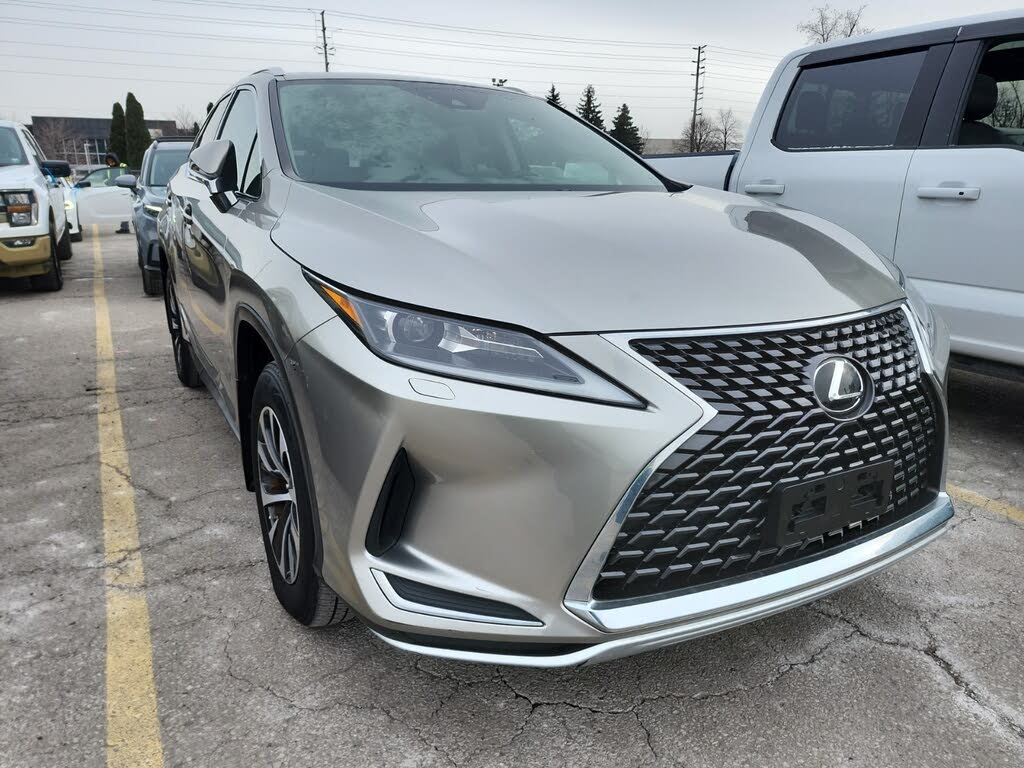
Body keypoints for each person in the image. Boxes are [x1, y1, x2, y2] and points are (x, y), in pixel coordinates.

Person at [105, 152, 131, 234]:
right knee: (121, 209)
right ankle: (124, 227)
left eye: (111, 160)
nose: (110, 162)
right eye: (108, 161)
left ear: (115, 159)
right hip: (114, 190)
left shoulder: (123, 166)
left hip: (123, 189)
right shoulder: (109, 168)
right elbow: (109, 179)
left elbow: (128, 176)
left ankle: (125, 227)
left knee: (125, 209)